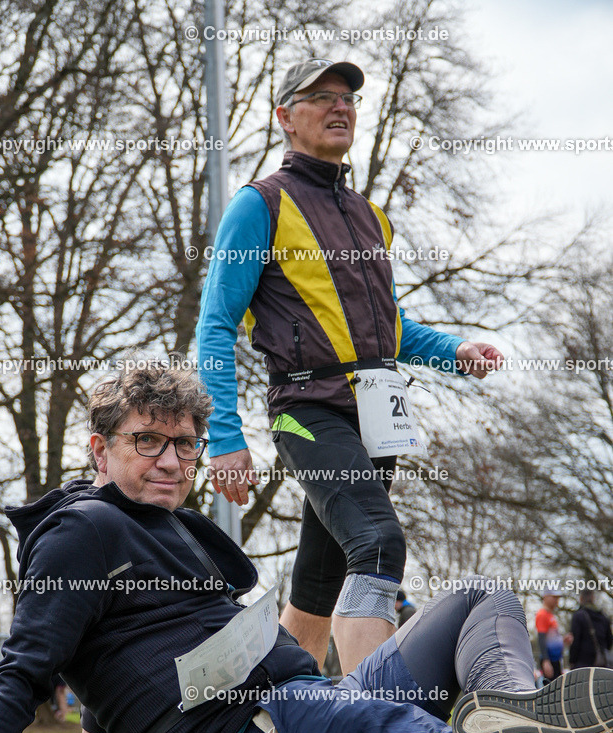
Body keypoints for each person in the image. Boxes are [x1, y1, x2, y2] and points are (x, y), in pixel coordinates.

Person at [0, 363, 612, 733]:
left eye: (185, 444)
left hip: (310, 698)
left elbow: (106, 673)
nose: (171, 460)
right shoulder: (81, 531)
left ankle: (507, 707)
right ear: (99, 451)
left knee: (475, 595)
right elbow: (26, 668)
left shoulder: (167, 527)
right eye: (146, 440)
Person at [197, 58, 504, 677]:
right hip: (308, 411)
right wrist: (225, 440)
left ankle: (278, 729)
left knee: (315, 589)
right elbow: (215, 325)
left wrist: (454, 351)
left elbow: (388, 325)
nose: (342, 107)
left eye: (350, 99)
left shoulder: (370, 215)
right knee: (379, 543)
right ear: (285, 116)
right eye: (322, 96)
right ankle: (383, 731)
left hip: (376, 415)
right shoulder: (259, 206)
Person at [535, 588, 572, 680]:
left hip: (556, 660)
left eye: (558, 598)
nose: (557, 601)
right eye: (554, 597)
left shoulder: (551, 615)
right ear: (546, 597)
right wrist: (546, 661)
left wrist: (562, 641)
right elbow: (541, 638)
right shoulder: (542, 614)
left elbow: (551, 639)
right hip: (549, 660)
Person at [570, 591, 613, 669]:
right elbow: (609, 641)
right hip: (602, 664)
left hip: (582, 664)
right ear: (593, 598)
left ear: (581, 599)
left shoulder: (578, 616)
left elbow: (575, 641)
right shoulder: (604, 617)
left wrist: (572, 661)